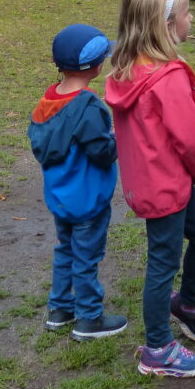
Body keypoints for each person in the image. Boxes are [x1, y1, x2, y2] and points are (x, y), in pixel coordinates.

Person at [106, 0, 195, 378]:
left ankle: (187, 304)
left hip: (157, 181)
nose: (193, 19)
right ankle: (157, 349)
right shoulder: (166, 77)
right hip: (167, 185)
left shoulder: (131, 69)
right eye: (187, 13)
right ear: (167, 24)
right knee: (162, 263)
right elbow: (189, 139)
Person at [28, 23, 128, 341]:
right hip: (88, 201)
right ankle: (89, 318)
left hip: (60, 199)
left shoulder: (47, 102)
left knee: (66, 250)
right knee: (86, 256)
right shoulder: (88, 107)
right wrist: (119, 138)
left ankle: (60, 309)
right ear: (96, 66)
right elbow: (102, 152)